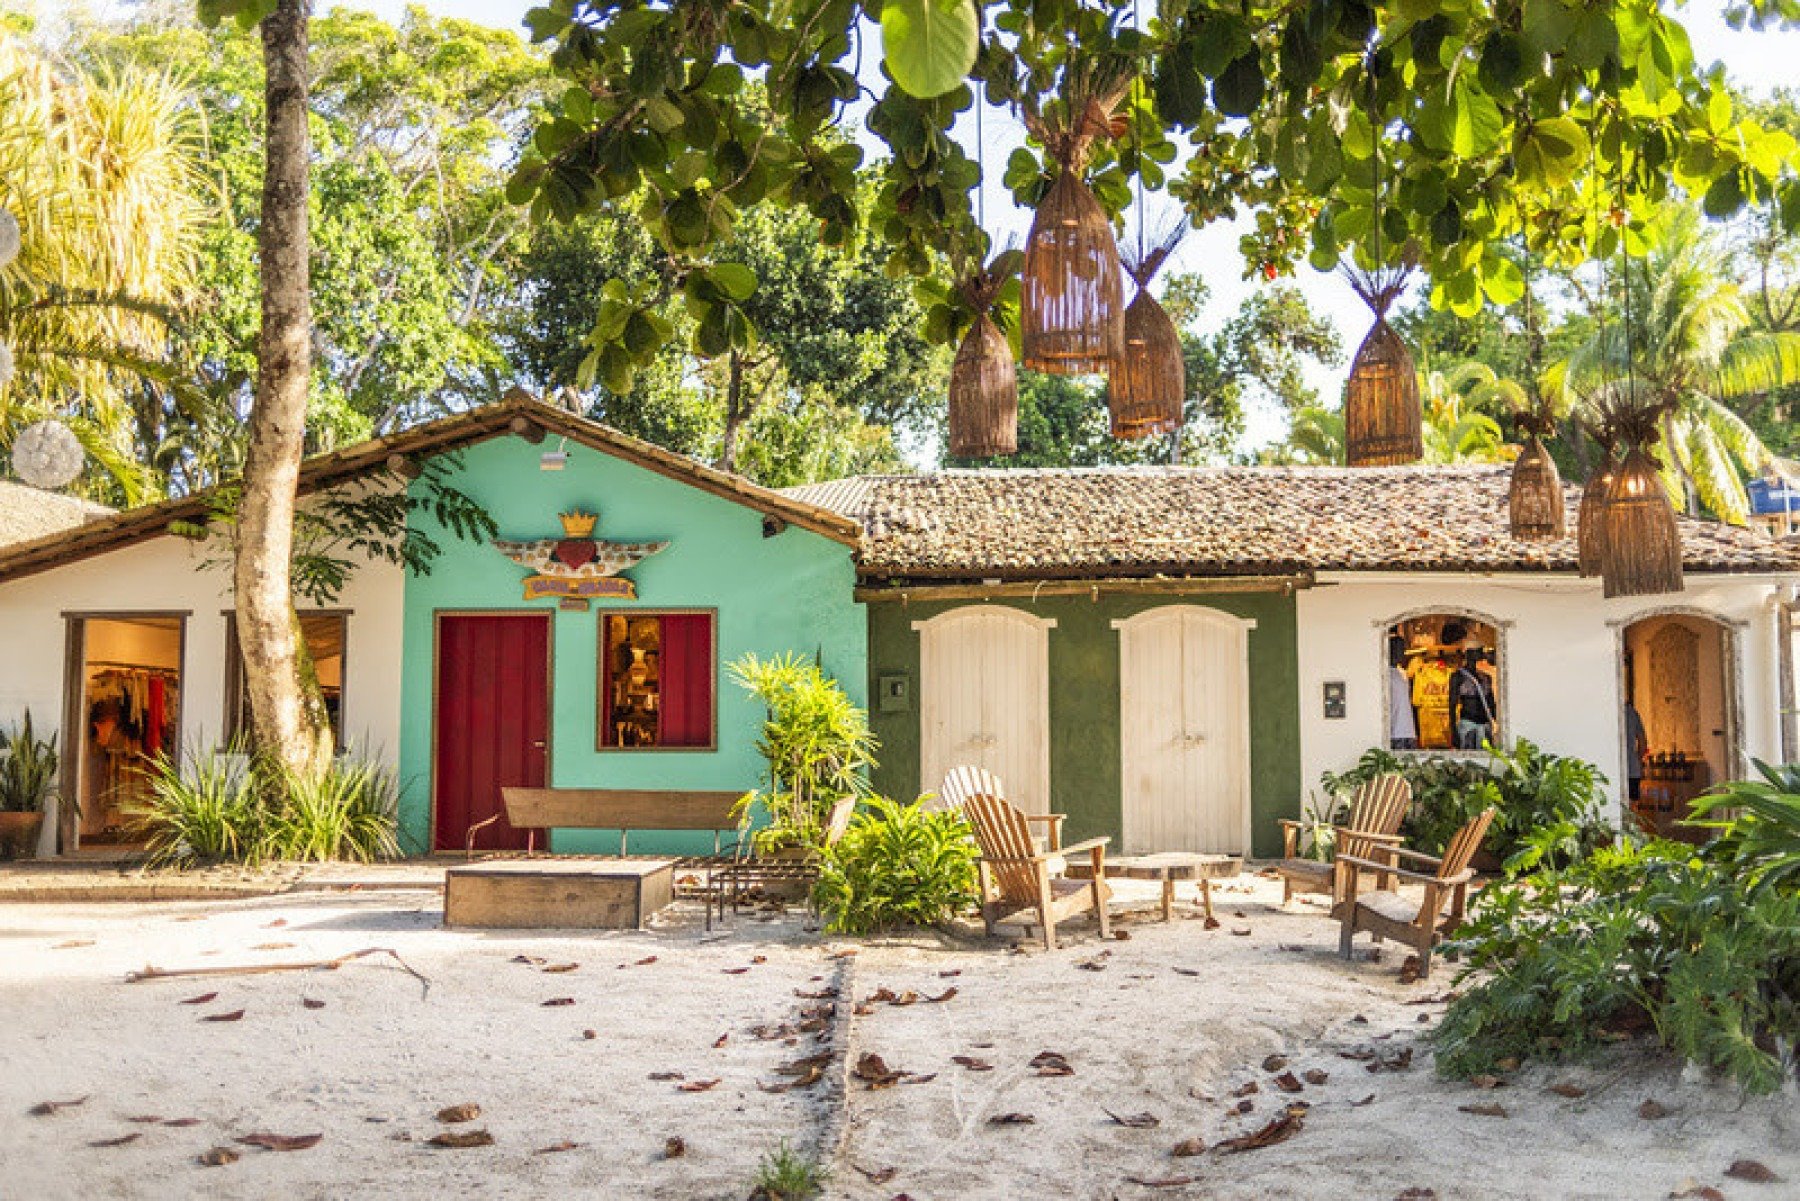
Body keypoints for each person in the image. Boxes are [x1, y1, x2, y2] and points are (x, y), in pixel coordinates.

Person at [1453, 649, 1497, 750]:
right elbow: (1452, 705)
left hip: (1485, 726)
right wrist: (1453, 731)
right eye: (1476, 651)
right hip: (1468, 724)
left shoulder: (1486, 677)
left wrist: (1496, 721)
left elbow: (1490, 702)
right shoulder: (1458, 676)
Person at [1388, 635, 1418, 750]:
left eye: (1402, 649)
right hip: (1394, 732)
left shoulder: (1403, 673)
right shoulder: (1384, 673)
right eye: (1398, 649)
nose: (1402, 653)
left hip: (1408, 731)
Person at [1624, 697, 1648, 802]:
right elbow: (1643, 743)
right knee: (1631, 805)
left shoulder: (1610, 710)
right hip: (1632, 769)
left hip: (1614, 768)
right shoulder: (1632, 713)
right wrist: (1637, 759)